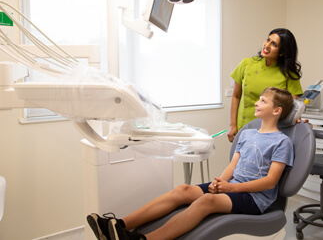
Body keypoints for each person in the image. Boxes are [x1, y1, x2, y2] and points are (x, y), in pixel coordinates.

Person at [87, 87, 295, 240]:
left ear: (276, 111)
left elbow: (270, 181)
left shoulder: (282, 142)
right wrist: (219, 182)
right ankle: (118, 225)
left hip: (254, 198)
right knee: (183, 190)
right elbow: (233, 166)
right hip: (232, 187)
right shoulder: (247, 133)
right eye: (259, 99)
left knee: (207, 202)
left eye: (263, 101)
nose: (257, 103)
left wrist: (231, 187)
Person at [228, 28, 303, 143]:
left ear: (282, 52)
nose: (267, 45)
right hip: (243, 127)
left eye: (274, 44)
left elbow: (292, 107)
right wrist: (233, 125)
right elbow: (236, 96)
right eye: (268, 40)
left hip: (271, 131)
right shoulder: (246, 64)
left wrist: (298, 120)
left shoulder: (289, 74)